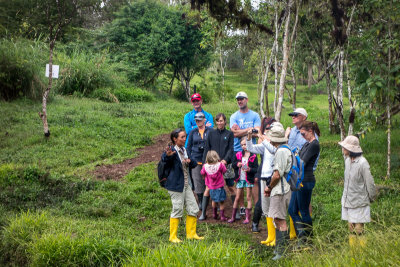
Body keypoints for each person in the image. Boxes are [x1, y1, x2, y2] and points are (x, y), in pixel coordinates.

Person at [161, 128, 204, 243]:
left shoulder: (184, 149)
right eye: (182, 137)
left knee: (194, 208)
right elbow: (164, 160)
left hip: (186, 184)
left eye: (185, 136)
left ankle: (191, 234)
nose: (185, 139)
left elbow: (194, 163)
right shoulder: (171, 150)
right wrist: (168, 156)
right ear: (175, 139)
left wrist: (190, 161)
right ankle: (173, 237)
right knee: (177, 209)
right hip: (175, 185)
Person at [285, 107, 319, 239]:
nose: (302, 136)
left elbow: (301, 162)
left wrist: (293, 161)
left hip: (306, 180)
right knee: (292, 210)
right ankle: (302, 235)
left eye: (303, 134)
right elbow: (298, 158)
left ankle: (308, 238)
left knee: (304, 210)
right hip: (299, 180)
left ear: (310, 131)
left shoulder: (314, 144)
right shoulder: (307, 144)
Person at [338, 135, 376, 248]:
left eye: (345, 147)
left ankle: (361, 253)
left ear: (350, 149)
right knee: (350, 227)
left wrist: (371, 197)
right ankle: (353, 253)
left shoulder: (363, 163)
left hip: (360, 200)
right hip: (348, 199)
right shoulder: (347, 160)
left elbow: (370, 182)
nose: (343, 149)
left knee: (359, 229)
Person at [246, 117, 277, 246]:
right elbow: (252, 148)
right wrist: (249, 138)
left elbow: (272, 150)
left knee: (274, 208)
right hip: (264, 178)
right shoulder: (265, 144)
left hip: (273, 178)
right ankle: (270, 236)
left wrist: (261, 137)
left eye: (269, 130)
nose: (267, 132)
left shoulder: (277, 144)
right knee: (266, 208)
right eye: (266, 129)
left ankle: (276, 238)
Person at [230, 91, 261, 218]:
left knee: (253, 178)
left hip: (252, 150)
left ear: (247, 100)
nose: (240, 101)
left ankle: (258, 207)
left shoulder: (254, 115)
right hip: (238, 151)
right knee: (240, 179)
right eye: (238, 99)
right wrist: (249, 130)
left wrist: (242, 131)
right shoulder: (234, 116)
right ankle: (242, 207)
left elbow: (257, 132)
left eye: (242, 99)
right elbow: (235, 134)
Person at [264, 123, 292, 260]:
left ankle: (281, 252)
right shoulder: (286, 148)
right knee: (278, 218)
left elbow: (277, 174)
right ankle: (280, 250)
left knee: (280, 219)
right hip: (285, 188)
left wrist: (269, 187)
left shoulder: (281, 152)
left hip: (280, 190)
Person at [200, 113, 234, 220]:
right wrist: (205, 163)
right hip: (212, 164)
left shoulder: (229, 134)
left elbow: (231, 149)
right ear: (216, 122)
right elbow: (207, 148)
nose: (220, 123)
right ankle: (203, 213)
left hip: (226, 164)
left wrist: (225, 160)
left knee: (231, 186)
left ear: (225, 122)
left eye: (221, 121)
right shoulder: (211, 133)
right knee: (208, 188)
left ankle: (235, 211)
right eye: (218, 121)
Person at [228, 137, 259, 224]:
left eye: (245, 144)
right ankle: (233, 216)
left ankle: (247, 218)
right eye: (242, 145)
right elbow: (233, 164)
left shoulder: (253, 156)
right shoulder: (238, 154)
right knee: (237, 197)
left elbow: (256, 168)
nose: (243, 146)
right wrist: (237, 164)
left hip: (248, 179)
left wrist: (250, 169)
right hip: (240, 178)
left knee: (249, 197)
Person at [187, 112, 213, 210]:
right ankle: (201, 201)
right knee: (197, 180)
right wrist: (189, 158)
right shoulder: (193, 132)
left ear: (204, 120)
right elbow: (188, 146)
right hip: (196, 159)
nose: (198, 121)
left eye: (200, 119)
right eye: (197, 120)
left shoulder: (210, 131)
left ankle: (214, 200)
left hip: (208, 159)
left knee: (211, 180)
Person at [200, 150, 228, 221]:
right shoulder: (220, 165)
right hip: (220, 186)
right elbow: (224, 170)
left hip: (211, 187)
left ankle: (214, 214)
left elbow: (202, 172)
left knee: (213, 200)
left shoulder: (205, 166)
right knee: (222, 202)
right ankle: (222, 216)